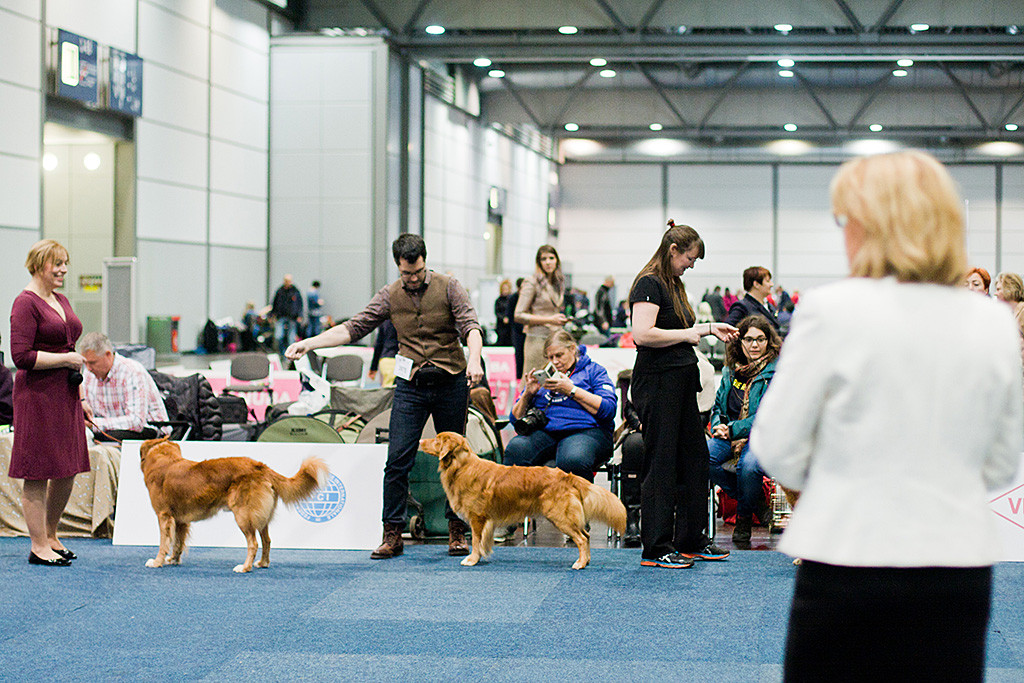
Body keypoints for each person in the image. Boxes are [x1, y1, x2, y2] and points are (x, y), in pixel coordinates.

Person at [751, 151, 1023, 681]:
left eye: (844, 220)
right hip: (956, 563)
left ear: (872, 226)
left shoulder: (831, 310)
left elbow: (778, 448)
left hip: (846, 556)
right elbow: (1000, 464)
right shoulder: (993, 324)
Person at [286, 234, 484, 560]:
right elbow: (353, 328)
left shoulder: (450, 287)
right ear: (397, 266)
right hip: (411, 386)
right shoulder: (390, 295)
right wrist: (310, 343)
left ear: (424, 261)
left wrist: (474, 359)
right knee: (396, 461)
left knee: (456, 460)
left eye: (417, 272)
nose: (413, 278)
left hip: (450, 381)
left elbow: (471, 327)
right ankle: (392, 534)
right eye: (406, 273)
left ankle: (457, 531)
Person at [629, 220, 739, 569]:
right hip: (657, 383)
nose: (691, 265)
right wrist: (689, 334)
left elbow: (682, 329)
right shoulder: (648, 283)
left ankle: (691, 539)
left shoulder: (673, 284)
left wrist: (707, 328)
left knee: (695, 460)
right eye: (689, 258)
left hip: (680, 382)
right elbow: (642, 334)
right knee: (661, 464)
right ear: (673, 250)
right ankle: (655, 548)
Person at [8, 239, 89, 566]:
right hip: (37, 398)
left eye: (65, 263)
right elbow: (21, 357)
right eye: (57, 263)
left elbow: (70, 350)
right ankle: (38, 545)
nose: (64, 270)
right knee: (38, 473)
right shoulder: (24, 303)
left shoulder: (61, 299)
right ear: (39, 264)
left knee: (68, 469)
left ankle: (52, 536)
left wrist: (81, 397)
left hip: (66, 395)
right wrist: (66, 359)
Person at [504, 330, 617, 481]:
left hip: (586, 430)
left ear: (572, 349)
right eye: (551, 357)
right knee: (516, 449)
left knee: (572, 459)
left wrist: (571, 390)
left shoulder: (593, 371)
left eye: (559, 355)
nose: (555, 362)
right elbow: (515, 419)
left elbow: (608, 409)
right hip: (547, 431)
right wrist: (527, 394)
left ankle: (578, 497)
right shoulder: (545, 375)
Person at [707, 315, 780, 547]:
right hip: (728, 434)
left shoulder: (776, 373)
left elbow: (765, 417)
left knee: (747, 467)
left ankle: (744, 520)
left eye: (760, 339)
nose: (754, 345)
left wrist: (731, 430)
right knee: (702, 456)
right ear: (740, 342)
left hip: (761, 436)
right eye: (749, 339)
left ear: (769, 342)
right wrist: (718, 425)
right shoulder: (730, 370)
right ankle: (755, 501)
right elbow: (718, 406)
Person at [79, 332, 169, 442]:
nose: (88, 368)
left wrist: (94, 423)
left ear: (108, 355)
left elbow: (136, 422)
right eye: (85, 363)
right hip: (110, 429)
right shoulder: (88, 375)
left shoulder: (132, 372)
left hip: (150, 429)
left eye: (93, 363)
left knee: (106, 437)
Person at [514, 245, 567, 378]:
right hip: (536, 340)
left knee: (554, 382)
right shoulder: (531, 282)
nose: (548, 262)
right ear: (539, 262)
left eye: (551, 258)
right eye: (544, 259)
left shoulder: (557, 283)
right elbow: (518, 315)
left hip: (555, 339)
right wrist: (550, 319)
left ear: (557, 260)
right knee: (533, 380)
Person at [724, 266, 781, 331]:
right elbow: (727, 330)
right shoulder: (742, 307)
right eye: (768, 281)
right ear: (756, 284)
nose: (771, 284)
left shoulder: (769, 306)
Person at [271, 274, 303, 355]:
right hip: (281, 316)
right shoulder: (280, 291)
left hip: (292, 317)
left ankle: (289, 355)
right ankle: (281, 353)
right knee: (278, 336)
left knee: (291, 339)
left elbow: (299, 304)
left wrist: (300, 315)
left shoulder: (295, 291)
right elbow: (275, 303)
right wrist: (273, 314)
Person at [368, 319, 398, 387]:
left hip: (386, 359)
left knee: (387, 389)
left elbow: (379, 344)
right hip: (403, 359)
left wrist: (373, 367)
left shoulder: (385, 321)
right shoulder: (406, 319)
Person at [507, 277, 527, 380]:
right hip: (517, 332)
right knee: (519, 355)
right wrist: (519, 327)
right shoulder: (513, 298)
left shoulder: (528, 297)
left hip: (527, 332)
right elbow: (510, 316)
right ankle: (519, 377)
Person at [994, 271, 1024, 337]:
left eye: (998, 289)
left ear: (1009, 289)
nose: (995, 293)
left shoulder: (1022, 312)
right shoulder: (1006, 312)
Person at [493, 279, 513, 346]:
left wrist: (509, 318)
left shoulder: (511, 300)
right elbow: (497, 312)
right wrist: (503, 318)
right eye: (504, 289)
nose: (505, 291)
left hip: (510, 326)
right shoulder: (498, 300)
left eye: (507, 289)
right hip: (501, 326)